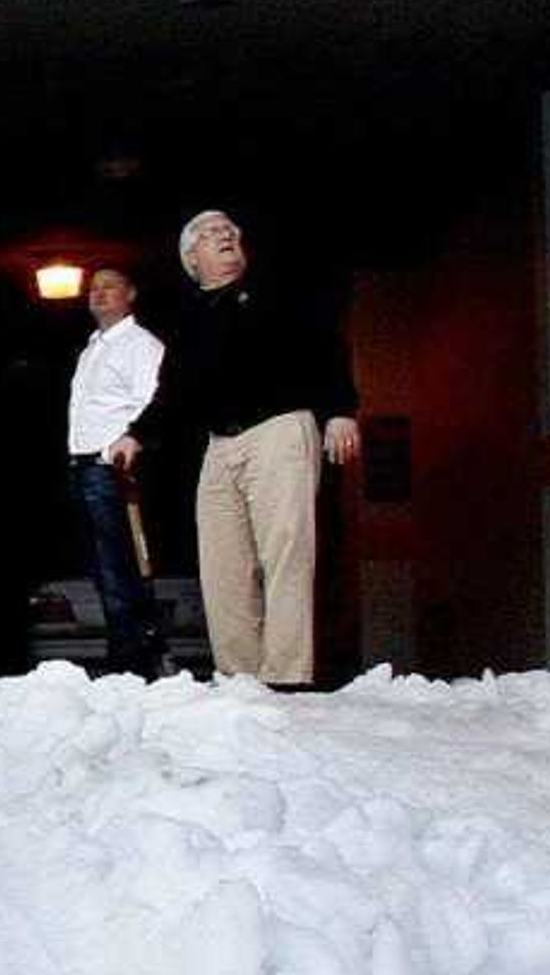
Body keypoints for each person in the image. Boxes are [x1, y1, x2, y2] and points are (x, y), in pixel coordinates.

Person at [107, 209, 358, 688]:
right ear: (191, 259)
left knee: (285, 552)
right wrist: (136, 433)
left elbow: (324, 345)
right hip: (221, 444)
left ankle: (286, 676)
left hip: (279, 429)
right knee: (222, 564)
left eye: (230, 232)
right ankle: (240, 679)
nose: (223, 237)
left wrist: (341, 409)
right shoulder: (187, 321)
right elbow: (173, 392)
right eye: (209, 234)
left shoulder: (277, 291)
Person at [61, 264, 170, 675]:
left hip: (113, 468)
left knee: (120, 567)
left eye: (110, 287)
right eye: (94, 288)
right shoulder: (93, 347)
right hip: (83, 465)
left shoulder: (140, 345)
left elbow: (150, 403)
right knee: (101, 567)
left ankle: (134, 661)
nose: (99, 293)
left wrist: (120, 451)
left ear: (131, 294)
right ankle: (123, 652)